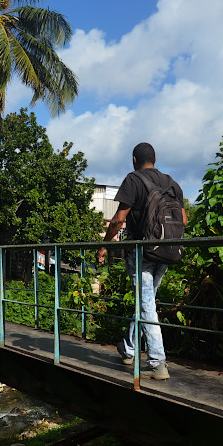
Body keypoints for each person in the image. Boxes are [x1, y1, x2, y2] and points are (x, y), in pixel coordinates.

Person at [96, 142, 186, 380]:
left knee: (146, 304)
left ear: (133, 159)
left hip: (142, 251)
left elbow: (118, 220)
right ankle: (128, 347)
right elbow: (184, 220)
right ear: (155, 159)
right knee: (146, 301)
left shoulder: (133, 180)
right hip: (166, 250)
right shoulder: (172, 183)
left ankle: (157, 363)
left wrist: (104, 244)